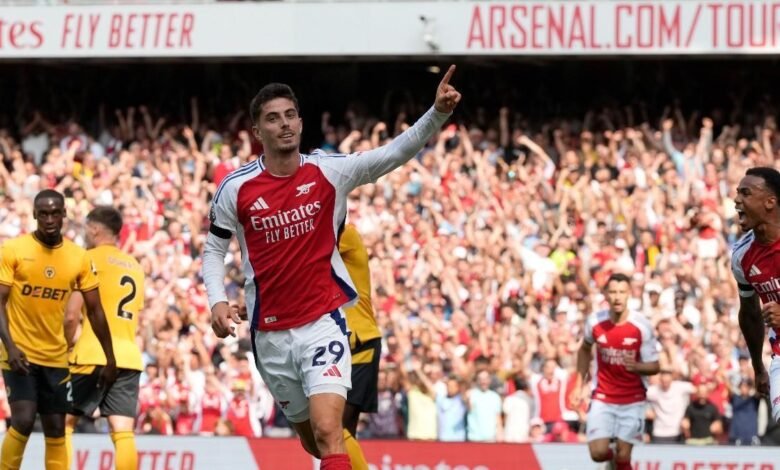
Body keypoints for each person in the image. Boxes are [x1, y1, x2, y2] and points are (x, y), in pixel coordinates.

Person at [203, 67, 460, 469]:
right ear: (257, 131)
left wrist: (437, 113)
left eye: (290, 115)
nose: (284, 124)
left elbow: (392, 153)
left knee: (329, 431)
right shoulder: (236, 188)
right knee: (314, 442)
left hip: (323, 322)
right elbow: (213, 250)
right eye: (273, 118)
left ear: (301, 122)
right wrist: (217, 301)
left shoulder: (329, 170)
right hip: (269, 334)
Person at [0, 190, 117, 470]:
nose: (50, 219)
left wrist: (110, 358)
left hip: (56, 357)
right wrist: (11, 347)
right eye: (43, 213)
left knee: (55, 428)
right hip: (20, 355)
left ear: (64, 214)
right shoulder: (14, 250)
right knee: (24, 419)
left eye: (55, 213)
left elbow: (96, 311)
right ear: (34, 215)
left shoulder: (78, 258)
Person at [63, 206, 144, 470]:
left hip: (91, 353)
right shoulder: (135, 266)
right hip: (128, 357)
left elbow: (71, 315)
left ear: (95, 229)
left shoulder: (87, 259)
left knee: (63, 423)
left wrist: (64, 347)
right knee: (122, 431)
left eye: (86, 228)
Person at [573, 273, 660, 470]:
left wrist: (637, 366)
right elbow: (584, 349)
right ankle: (611, 461)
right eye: (612, 292)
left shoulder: (641, 326)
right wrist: (578, 386)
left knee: (624, 453)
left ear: (629, 294)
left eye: (622, 292)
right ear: (605, 294)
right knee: (598, 454)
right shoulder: (594, 322)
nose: (617, 297)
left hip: (633, 398)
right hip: (603, 397)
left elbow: (655, 366)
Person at [731, 167, 780, 424]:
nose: (736, 200)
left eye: (745, 193)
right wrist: (757, 366)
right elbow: (749, 313)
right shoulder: (742, 256)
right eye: (737, 193)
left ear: (770, 201)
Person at [337, 223, 380, 468]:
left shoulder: (345, 234)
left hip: (359, 341)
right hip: (344, 341)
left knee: (335, 429)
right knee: (341, 432)